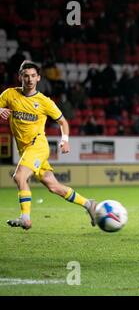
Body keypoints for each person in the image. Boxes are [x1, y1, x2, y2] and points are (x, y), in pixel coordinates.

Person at [0, 61, 98, 230]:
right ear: (20, 77)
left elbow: (63, 121)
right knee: (54, 187)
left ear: (38, 78)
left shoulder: (44, 102)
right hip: (25, 149)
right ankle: (89, 204)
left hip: (38, 146)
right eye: (26, 76)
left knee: (19, 176)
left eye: (33, 76)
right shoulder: (9, 94)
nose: (29, 79)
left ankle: (26, 218)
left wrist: (65, 139)